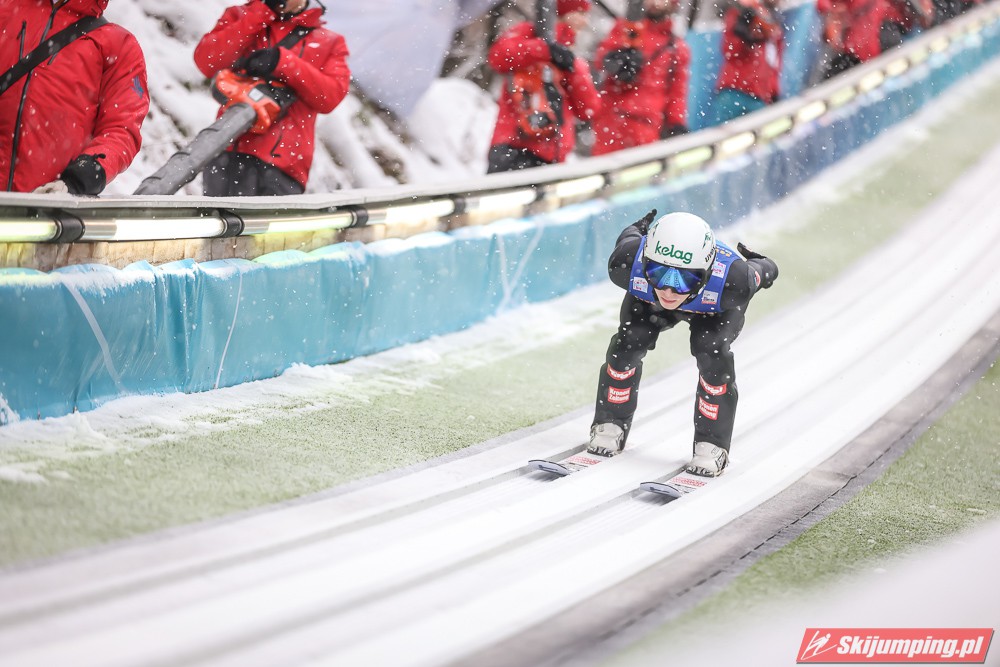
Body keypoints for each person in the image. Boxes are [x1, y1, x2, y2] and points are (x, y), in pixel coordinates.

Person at [587, 209, 778, 477]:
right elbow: (630, 236)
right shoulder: (626, 261)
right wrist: (639, 227)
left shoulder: (734, 281)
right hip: (650, 302)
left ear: (708, 272)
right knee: (629, 342)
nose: (669, 290)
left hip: (715, 311)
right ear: (644, 262)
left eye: (685, 279)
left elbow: (763, 271)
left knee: (711, 351)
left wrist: (762, 263)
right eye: (657, 273)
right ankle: (611, 422)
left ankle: (712, 444)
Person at [194, 0, 350, 196]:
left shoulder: (330, 42)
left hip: (282, 167)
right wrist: (260, 12)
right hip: (227, 151)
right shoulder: (241, 15)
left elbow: (330, 96)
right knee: (216, 216)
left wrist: (283, 62)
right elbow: (207, 61)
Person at [1, 0, 149, 195]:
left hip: (48, 203)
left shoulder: (119, 46)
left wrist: (78, 179)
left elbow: (121, 130)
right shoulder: (5, 12)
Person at [486, 0, 602, 173]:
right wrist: (544, 49)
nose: (585, 21)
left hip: (553, 156)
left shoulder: (572, 56)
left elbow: (589, 109)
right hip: (514, 147)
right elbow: (498, 56)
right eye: (580, 13)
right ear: (563, 12)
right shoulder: (529, 32)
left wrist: (572, 68)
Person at [591, 0, 691, 156]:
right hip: (612, 119)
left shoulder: (677, 48)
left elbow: (677, 92)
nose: (655, 3)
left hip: (646, 125)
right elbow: (601, 58)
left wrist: (676, 123)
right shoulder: (626, 28)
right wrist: (615, 61)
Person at [711, 0, 784, 125]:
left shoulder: (773, 24)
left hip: (759, 97)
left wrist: (773, 91)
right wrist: (744, 34)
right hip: (734, 91)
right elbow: (729, 50)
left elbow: (774, 63)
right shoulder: (741, 11)